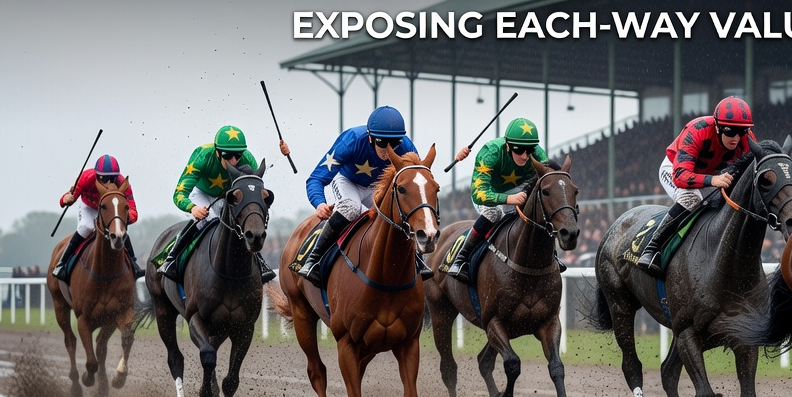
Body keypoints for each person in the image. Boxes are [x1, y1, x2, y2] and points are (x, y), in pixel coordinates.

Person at [295, 106, 448, 285]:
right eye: (382, 143)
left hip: (377, 188)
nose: (387, 150)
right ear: (370, 137)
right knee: (351, 208)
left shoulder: (406, 147)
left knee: (400, 212)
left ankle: (416, 258)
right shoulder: (351, 141)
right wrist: (319, 203)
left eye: (394, 143)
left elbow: (416, 182)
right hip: (348, 181)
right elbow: (316, 178)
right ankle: (314, 259)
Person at [635, 97, 758, 274]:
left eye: (742, 131)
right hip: (674, 168)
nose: (737, 138)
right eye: (731, 131)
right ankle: (652, 248)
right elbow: (680, 176)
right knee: (691, 198)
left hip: (713, 173)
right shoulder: (697, 130)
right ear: (717, 126)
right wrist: (712, 181)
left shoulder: (746, 139)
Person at [159, 124, 289, 284]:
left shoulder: (247, 158)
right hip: (202, 194)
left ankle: (260, 262)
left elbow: (253, 189)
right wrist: (192, 208)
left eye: (238, 155)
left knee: (240, 224)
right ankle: (172, 258)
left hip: (227, 196)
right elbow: (178, 194)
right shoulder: (202, 157)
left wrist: (281, 154)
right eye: (228, 156)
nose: (234, 161)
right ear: (217, 152)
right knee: (207, 220)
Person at [446, 117, 549, 284]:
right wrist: (508, 199)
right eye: (519, 151)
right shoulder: (490, 152)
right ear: (508, 146)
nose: (525, 156)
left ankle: (551, 255)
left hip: (521, 188)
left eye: (529, 151)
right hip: (489, 192)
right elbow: (479, 194)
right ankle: (460, 259)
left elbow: (549, 179)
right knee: (494, 213)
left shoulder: (538, 153)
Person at [52, 155, 144, 282]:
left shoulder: (123, 184)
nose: (108, 182)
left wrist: (122, 219)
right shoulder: (86, 177)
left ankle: (134, 265)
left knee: (119, 230)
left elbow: (133, 210)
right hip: (89, 207)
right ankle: (62, 263)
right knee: (86, 227)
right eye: (104, 178)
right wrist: (66, 199)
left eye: (112, 178)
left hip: (110, 210)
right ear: (97, 175)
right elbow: (69, 197)